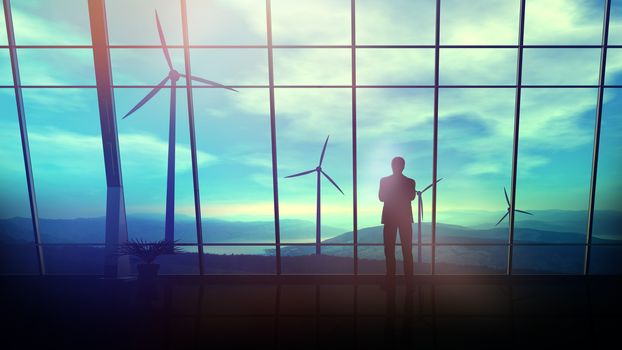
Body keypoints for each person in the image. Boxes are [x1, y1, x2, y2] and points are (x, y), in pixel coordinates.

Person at [378, 156, 416, 279]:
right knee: (407, 248)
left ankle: (390, 276)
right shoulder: (410, 182)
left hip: (389, 217)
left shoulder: (384, 181)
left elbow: (381, 197)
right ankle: (409, 277)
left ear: (392, 166)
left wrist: (392, 195)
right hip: (405, 218)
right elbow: (411, 197)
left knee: (389, 249)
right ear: (403, 166)